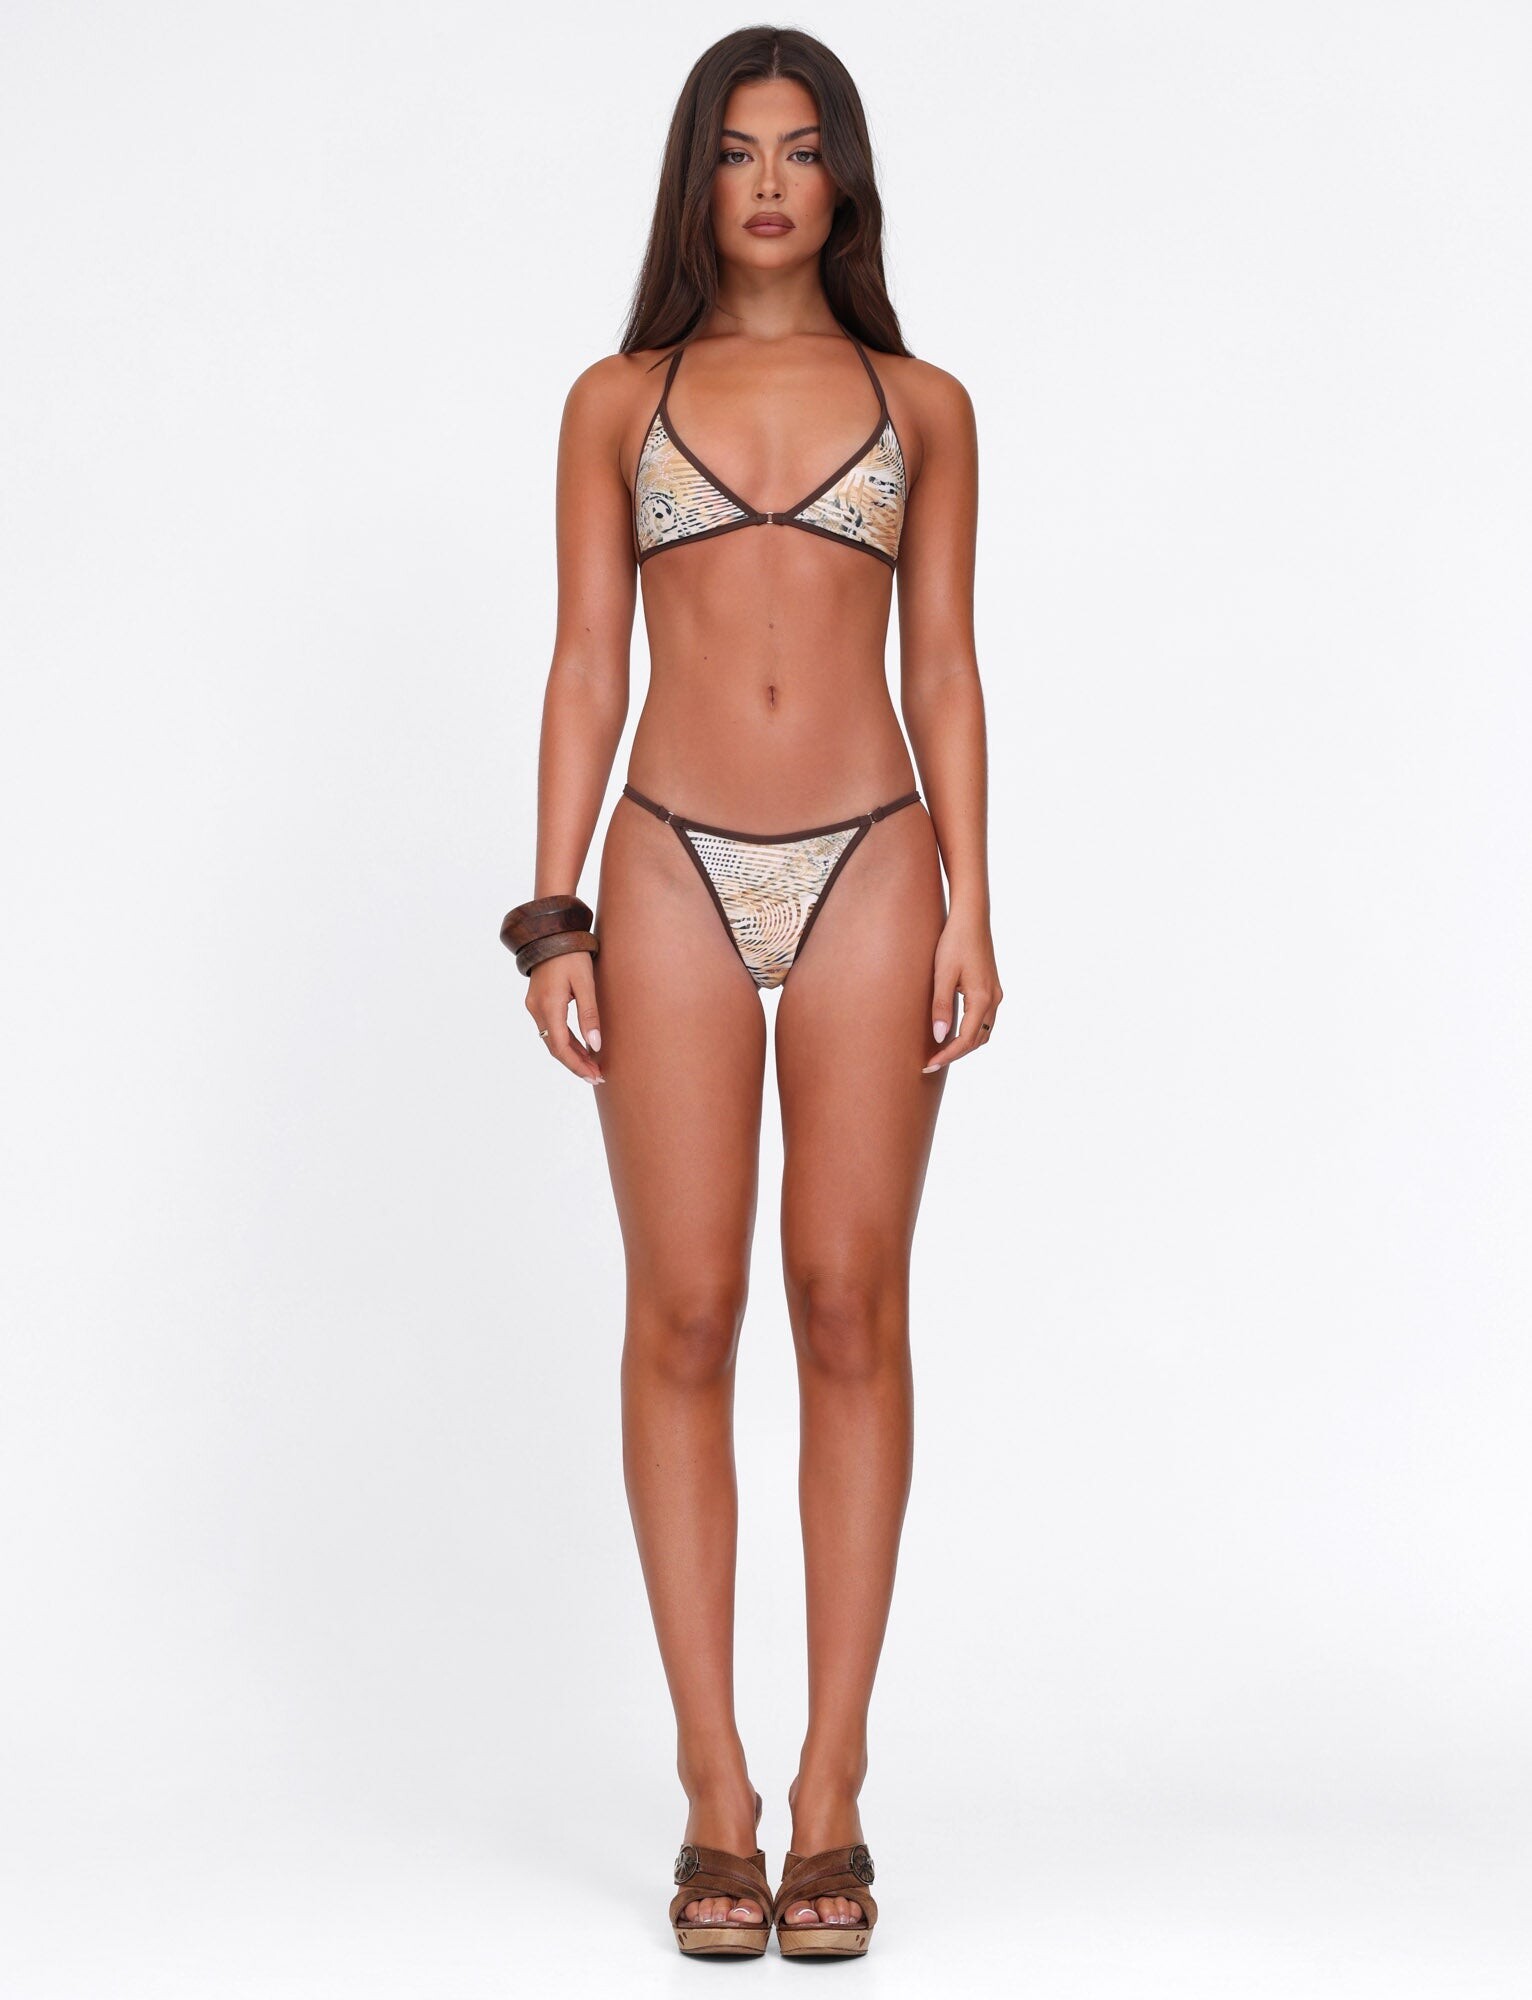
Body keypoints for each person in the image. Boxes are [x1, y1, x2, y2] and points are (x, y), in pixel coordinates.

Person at [501, 25, 1002, 1960]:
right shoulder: (615, 401)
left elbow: (944, 664)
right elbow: (585, 659)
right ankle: (715, 1785)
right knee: (690, 1308)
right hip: (668, 863)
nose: (771, 183)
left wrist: (973, 905)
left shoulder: (925, 404)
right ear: (695, 182)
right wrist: (551, 915)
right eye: (736, 150)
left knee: (849, 1305)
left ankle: (835, 1784)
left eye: (800, 150)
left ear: (843, 177)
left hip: (873, 855)